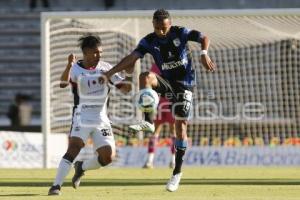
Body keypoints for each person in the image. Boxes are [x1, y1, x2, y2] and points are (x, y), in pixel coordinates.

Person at [100, 9, 215, 192]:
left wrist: (203, 53)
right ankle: (147, 121)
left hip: (184, 85)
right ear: (153, 25)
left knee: (180, 127)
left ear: (170, 24)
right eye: (157, 28)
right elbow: (132, 57)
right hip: (166, 81)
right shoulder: (149, 41)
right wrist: (110, 72)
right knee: (145, 76)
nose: (161, 31)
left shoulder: (180, 32)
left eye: (164, 28)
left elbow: (204, 37)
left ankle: (176, 173)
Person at [48, 34, 131, 195]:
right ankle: (56, 185)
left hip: (101, 119)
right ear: (85, 52)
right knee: (74, 147)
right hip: (82, 116)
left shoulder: (106, 68)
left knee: (107, 158)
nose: (99, 56)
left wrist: (126, 72)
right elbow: (62, 84)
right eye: (95, 52)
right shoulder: (76, 69)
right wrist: (68, 66)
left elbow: (125, 89)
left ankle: (81, 167)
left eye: (101, 52)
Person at [143, 64, 176, 169]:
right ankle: (172, 161)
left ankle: (150, 161)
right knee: (173, 132)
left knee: (157, 132)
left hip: (162, 102)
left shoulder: (156, 65)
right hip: (169, 101)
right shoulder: (173, 63)